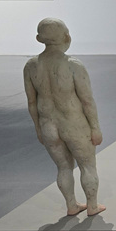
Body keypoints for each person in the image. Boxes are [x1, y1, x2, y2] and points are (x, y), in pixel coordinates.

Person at [23, 18, 105, 216]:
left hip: (48, 125)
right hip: (74, 124)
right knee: (87, 166)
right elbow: (87, 100)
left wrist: (38, 129)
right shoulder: (73, 65)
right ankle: (92, 206)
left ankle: (71, 205)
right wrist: (95, 128)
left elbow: (32, 102)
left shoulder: (31, 66)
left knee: (63, 168)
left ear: (39, 38)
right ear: (67, 37)